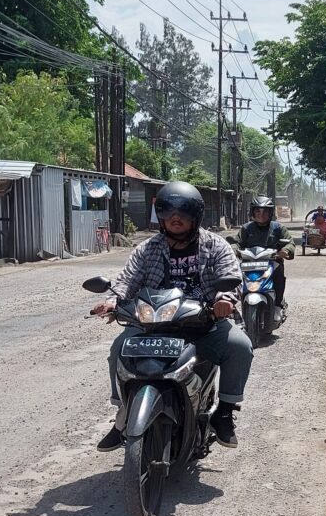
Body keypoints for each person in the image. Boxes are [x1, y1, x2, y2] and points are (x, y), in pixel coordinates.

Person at [90, 180, 252, 451]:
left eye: (183, 211)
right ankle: (123, 415)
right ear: (161, 215)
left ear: (195, 215)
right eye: (168, 211)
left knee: (240, 346)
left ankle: (224, 412)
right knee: (119, 347)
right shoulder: (148, 248)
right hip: (153, 325)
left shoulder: (216, 245)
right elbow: (127, 280)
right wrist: (112, 300)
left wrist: (225, 299)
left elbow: (231, 276)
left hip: (203, 324)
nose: (176, 217)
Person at [234, 195, 294, 306]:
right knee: (233, 277)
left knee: (279, 274)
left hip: (272, 263)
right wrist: (233, 250)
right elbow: (237, 243)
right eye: (258, 211)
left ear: (270, 213)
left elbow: (290, 243)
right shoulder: (246, 228)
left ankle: (278, 304)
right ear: (253, 212)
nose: (261, 214)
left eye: (265, 211)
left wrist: (285, 250)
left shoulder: (278, 228)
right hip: (249, 264)